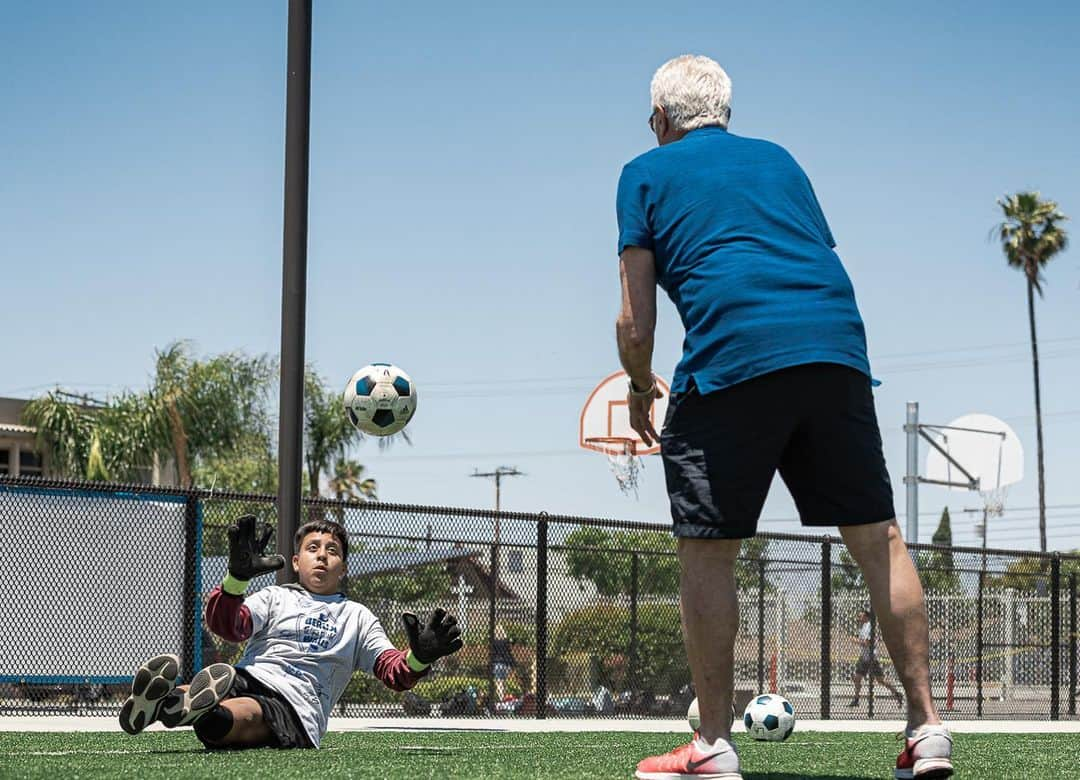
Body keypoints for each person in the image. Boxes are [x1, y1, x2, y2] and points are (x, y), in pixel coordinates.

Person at [618, 55, 952, 780]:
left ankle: (711, 743)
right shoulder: (781, 160)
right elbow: (805, 254)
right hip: (835, 347)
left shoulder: (643, 171)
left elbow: (636, 324)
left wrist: (642, 385)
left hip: (734, 356)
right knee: (879, 541)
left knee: (709, 550)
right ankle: (927, 730)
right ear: (726, 114)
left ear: (661, 120)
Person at [118, 515, 463, 748]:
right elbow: (228, 626)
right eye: (312, 549)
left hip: (296, 707)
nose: (323, 556)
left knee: (237, 717)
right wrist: (236, 578)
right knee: (227, 684)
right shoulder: (275, 596)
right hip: (247, 675)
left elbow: (394, 672)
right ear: (296, 562)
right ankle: (173, 702)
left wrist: (420, 656)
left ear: (343, 567)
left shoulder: (358, 617)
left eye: (333, 551)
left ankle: (183, 707)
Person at [849, 608, 905, 709]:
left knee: (880, 680)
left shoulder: (869, 627)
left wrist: (855, 641)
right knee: (857, 678)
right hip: (864, 657)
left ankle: (897, 694)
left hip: (871, 658)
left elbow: (868, 643)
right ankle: (856, 699)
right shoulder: (863, 627)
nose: (858, 618)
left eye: (860, 616)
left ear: (866, 616)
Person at [491, 623, 515, 702]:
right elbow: (511, 648)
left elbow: (492, 653)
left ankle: (501, 699)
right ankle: (503, 697)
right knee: (503, 682)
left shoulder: (494, 641)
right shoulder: (506, 641)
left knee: (499, 682)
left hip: (497, 663)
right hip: (506, 664)